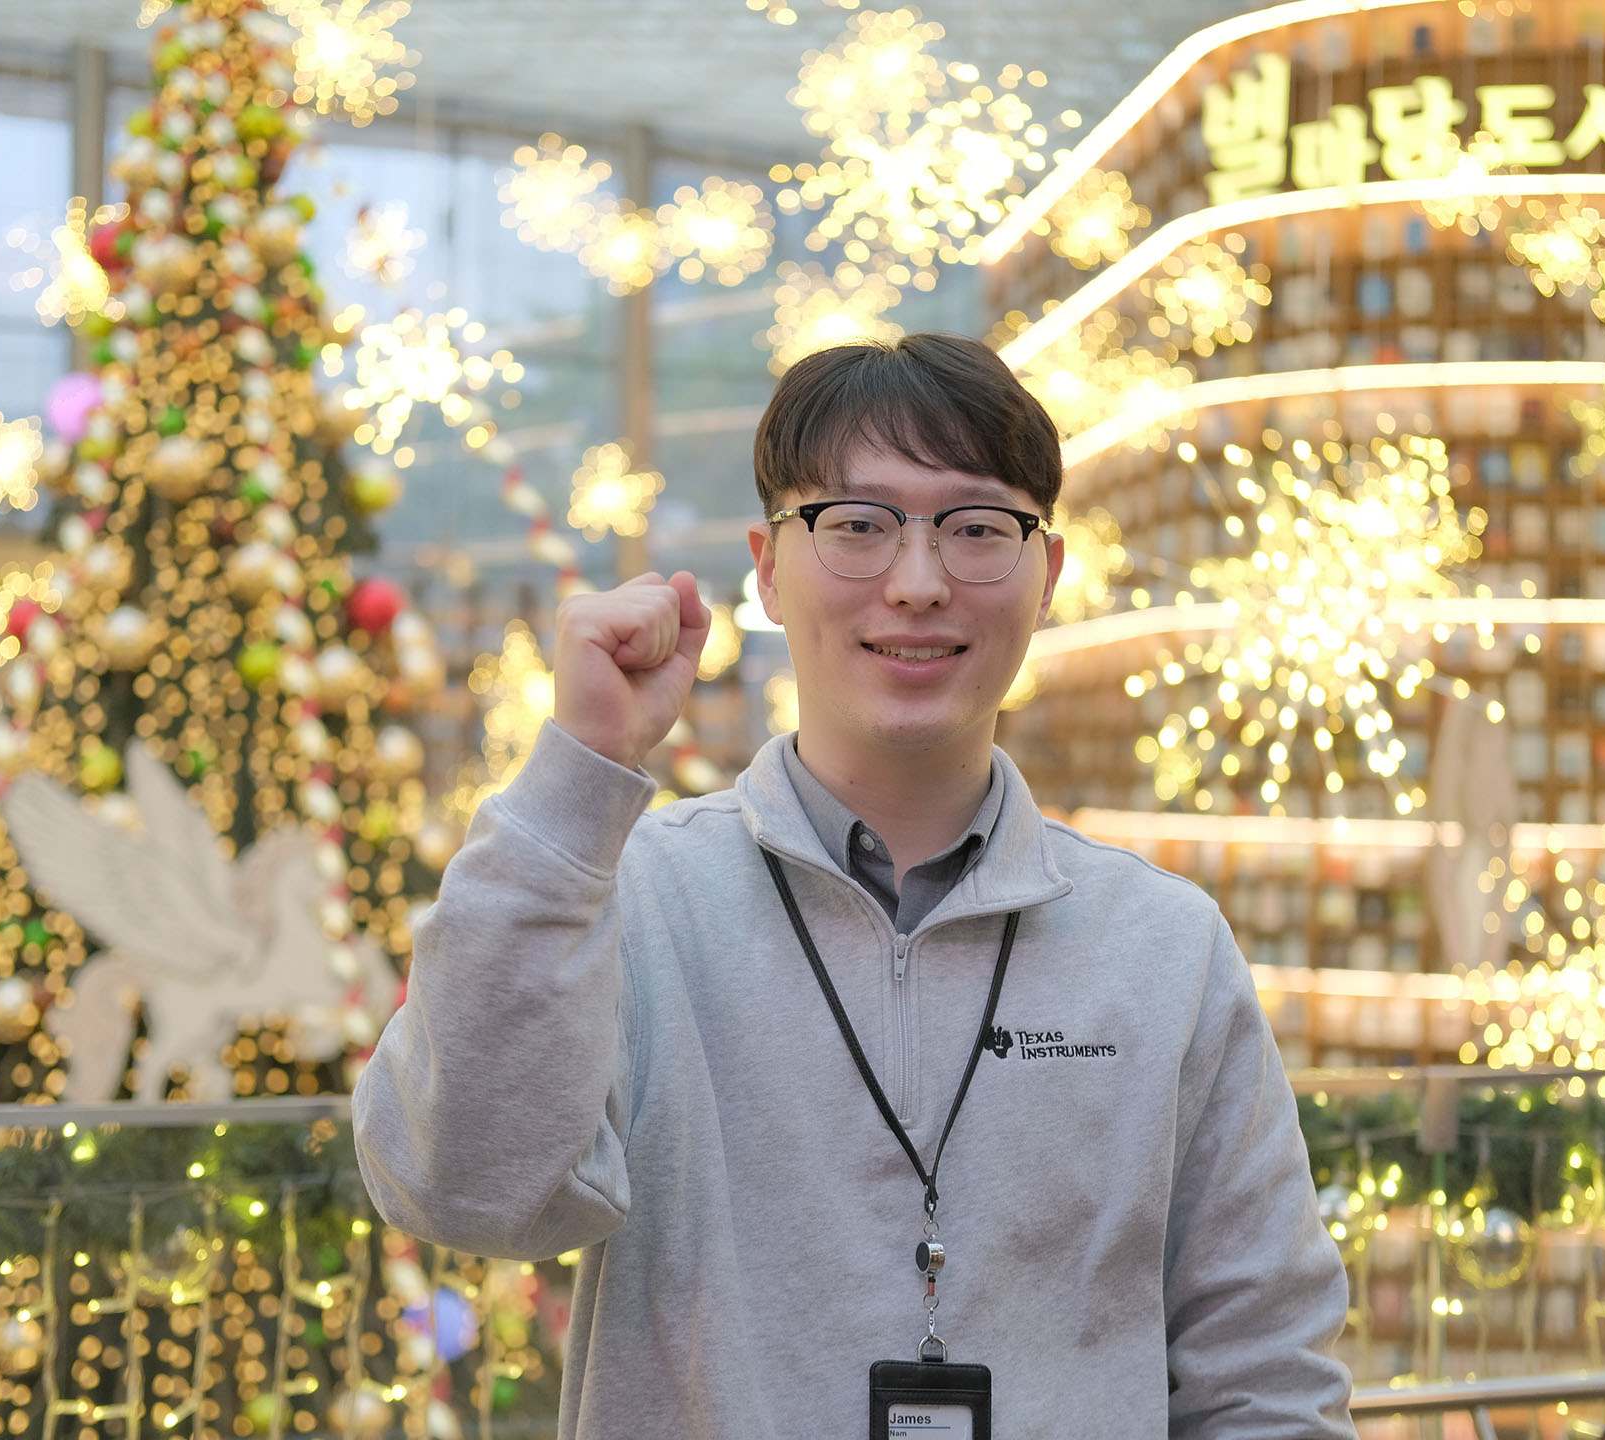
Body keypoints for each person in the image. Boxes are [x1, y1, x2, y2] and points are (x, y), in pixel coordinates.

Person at [354, 333, 1355, 1437]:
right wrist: (579, 777)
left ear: (1048, 576)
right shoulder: (625, 901)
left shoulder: (1163, 945)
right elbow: (463, 1191)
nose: (918, 584)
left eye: (978, 529)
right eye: (858, 526)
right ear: (768, 569)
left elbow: (1266, 1373)